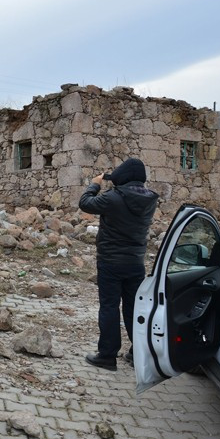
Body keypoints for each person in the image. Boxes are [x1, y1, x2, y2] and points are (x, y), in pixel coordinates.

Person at [79, 157, 159, 371]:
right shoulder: (150, 199)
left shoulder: (113, 198)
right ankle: (138, 353)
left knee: (109, 308)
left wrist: (95, 184)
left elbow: (85, 203)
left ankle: (107, 355)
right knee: (134, 309)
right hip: (135, 263)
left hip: (111, 262)